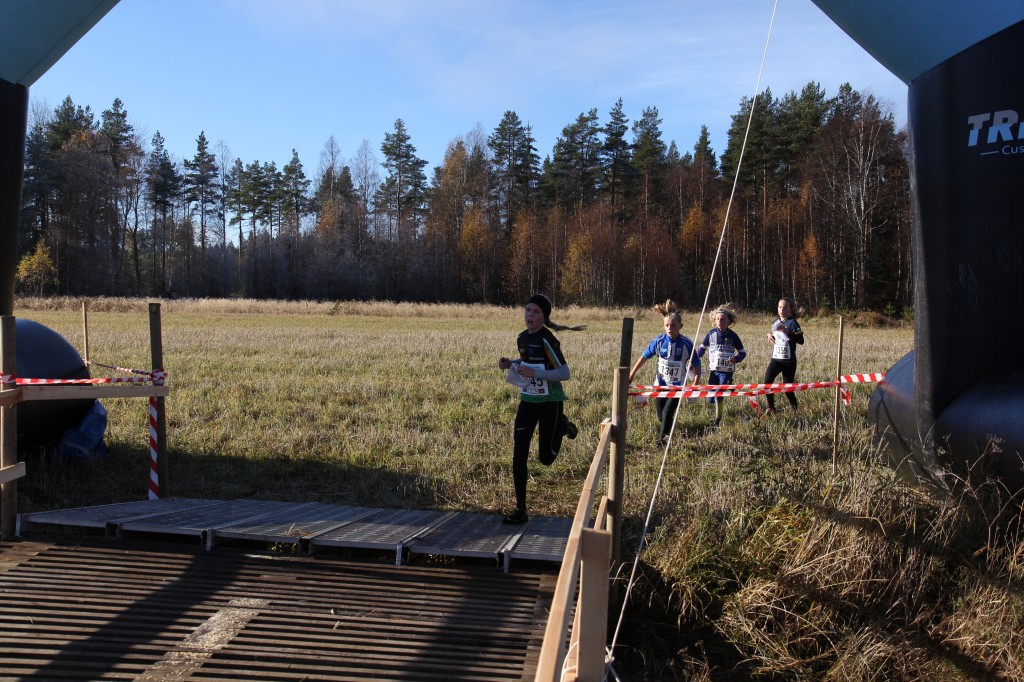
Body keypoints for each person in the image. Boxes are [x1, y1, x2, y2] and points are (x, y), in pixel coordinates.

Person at [497, 294, 585, 525]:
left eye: (536, 311)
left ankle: (562, 426)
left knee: (545, 458)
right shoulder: (522, 339)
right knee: (519, 454)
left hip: (550, 402)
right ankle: (520, 509)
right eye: (527, 310)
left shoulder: (548, 340)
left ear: (544, 316)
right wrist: (512, 364)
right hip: (528, 401)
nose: (530, 315)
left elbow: (564, 373)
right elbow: (528, 362)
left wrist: (535, 374)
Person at [628, 299, 701, 445]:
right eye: (666, 325)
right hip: (660, 385)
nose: (669, 328)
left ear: (680, 326)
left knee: (668, 412)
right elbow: (643, 357)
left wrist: (695, 384)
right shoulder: (659, 341)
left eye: (673, 325)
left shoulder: (687, 344)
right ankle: (667, 426)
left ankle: (661, 441)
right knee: (661, 416)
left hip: (677, 386)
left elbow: (697, 365)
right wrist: (632, 374)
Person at [695, 306, 746, 429]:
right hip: (714, 371)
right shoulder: (711, 334)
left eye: (723, 319)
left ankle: (717, 420)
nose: (720, 322)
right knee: (710, 399)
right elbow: (701, 349)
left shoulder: (733, 336)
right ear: (714, 320)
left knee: (719, 396)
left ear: (728, 321)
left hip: (726, 371)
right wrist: (695, 359)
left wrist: (736, 359)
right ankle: (729, 385)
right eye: (717, 319)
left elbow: (743, 353)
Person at [762, 297, 804, 417]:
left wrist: (789, 332)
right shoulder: (775, 322)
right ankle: (771, 408)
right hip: (776, 358)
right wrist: (769, 335)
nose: (782, 309)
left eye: (785, 307)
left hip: (788, 361)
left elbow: (801, 340)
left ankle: (796, 411)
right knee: (767, 382)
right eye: (780, 307)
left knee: (787, 389)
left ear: (790, 309)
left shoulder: (793, 323)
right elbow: (775, 336)